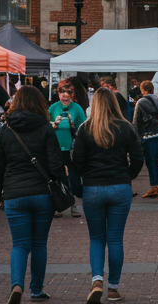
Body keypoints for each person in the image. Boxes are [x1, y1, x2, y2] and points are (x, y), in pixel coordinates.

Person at [72, 88, 144, 304]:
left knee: (96, 238)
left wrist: (85, 181)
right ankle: (113, 288)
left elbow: (77, 162)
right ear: (114, 103)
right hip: (120, 187)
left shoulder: (85, 129)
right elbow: (139, 158)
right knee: (115, 239)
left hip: (93, 188)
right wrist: (127, 176)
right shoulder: (126, 127)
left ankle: (97, 280)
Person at [0, 86, 64, 303]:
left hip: (14, 194)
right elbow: (55, 164)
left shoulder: (5, 130)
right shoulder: (45, 128)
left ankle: (16, 285)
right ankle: (36, 289)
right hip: (43, 193)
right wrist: (63, 184)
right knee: (39, 244)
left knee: (20, 244)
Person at [48, 81, 88, 217]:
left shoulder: (77, 108)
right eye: (62, 93)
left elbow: (83, 128)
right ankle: (58, 206)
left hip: (71, 149)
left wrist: (72, 125)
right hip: (56, 148)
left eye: (68, 93)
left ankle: (73, 204)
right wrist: (54, 124)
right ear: (58, 94)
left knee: (73, 178)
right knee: (56, 176)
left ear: (72, 94)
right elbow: (45, 125)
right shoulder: (53, 108)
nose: (65, 96)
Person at [133, 80, 158, 198]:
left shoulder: (141, 102)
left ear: (142, 89)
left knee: (151, 161)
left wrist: (136, 138)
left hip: (148, 136)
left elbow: (136, 121)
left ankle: (154, 187)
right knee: (157, 161)